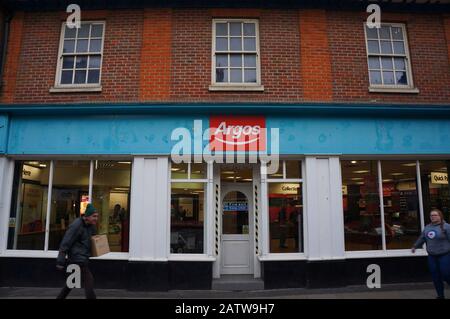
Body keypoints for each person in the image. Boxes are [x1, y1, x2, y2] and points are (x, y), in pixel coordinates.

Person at [56, 204, 98, 299]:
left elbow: (93, 239)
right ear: (87, 216)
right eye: (94, 216)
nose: (96, 218)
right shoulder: (76, 225)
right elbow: (66, 242)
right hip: (77, 259)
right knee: (89, 281)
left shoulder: (91, 226)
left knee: (71, 283)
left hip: (83, 258)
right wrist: (60, 261)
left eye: (97, 216)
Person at [412, 209, 450, 299]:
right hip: (432, 256)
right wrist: (415, 246)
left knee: (446, 274)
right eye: (431, 216)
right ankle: (440, 295)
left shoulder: (447, 227)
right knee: (435, 276)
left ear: (440, 216)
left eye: (435, 215)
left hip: (444, 255)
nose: (432, 217)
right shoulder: (428, 227)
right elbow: (422, 238)